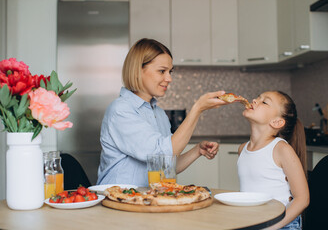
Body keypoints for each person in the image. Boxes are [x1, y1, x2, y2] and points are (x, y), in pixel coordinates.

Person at [97, 38, 228, 187]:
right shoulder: (120, 110)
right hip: (118, 200)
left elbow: (166, 165)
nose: (169, 78)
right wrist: (197, 109)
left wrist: (198, 150)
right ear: (138, 71)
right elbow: (162, 153)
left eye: (170, 71)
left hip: (147, 199)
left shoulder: (158, 113)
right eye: (162, 71)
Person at [237, 91, 309, 229]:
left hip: (282, 224)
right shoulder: (242, 150)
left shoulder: (281, 149)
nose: (255, 100)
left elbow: (302, 199)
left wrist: (271, 227)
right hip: (254, 222)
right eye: (257, 97)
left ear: (276, 122)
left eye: (264, 101)